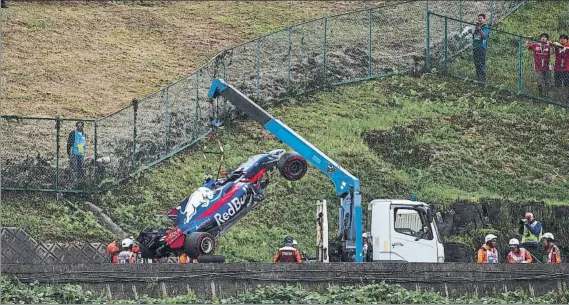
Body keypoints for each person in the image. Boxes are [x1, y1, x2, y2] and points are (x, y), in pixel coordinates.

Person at [461, 14, 490, 87]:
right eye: (478, 18)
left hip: (481, 48)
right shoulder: (476, 26)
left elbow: (484, 36)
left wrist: (480, 29)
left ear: (484, 19)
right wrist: (475, 26)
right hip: (475, 48)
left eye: (481, 18)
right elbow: (473, 32)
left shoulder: (486, 27)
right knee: (477, 64)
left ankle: (482, 83)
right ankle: (478, 81)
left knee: (481, 65)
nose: (479, 20)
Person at [66, 121, 87, 185]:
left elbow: (83, 144)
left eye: (81, 126)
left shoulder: (84, 134)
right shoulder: (73, 133)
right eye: (78, 126)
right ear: (76, 126)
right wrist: (69, 152)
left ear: (83, 127)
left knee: (81, 168)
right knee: (73, 167)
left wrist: (83, 152)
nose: (79, 127)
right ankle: (72, 182)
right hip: (74, 153)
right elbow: (69, 143)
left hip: (81, 153)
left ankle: (80, 182)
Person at [551, 34, 569, 102]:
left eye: (564, 38)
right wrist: (561, 46)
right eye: (561, 38)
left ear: (567, 40)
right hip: (557, 69)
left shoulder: (567, 45)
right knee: (557, 85)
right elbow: (554, 43)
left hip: (566, 69)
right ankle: (558, 99)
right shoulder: (557, 46)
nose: (562, 39)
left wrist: (565, 48)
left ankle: (566, 99)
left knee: (566, 85)